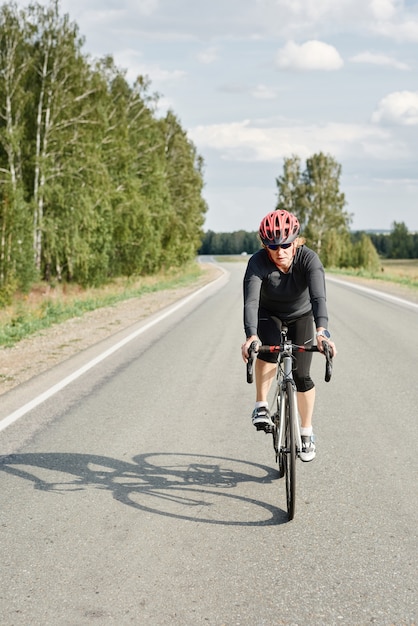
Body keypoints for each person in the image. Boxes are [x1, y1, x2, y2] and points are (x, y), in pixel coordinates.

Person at [241, 209, 337, 462]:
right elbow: (251, 302)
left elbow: (318, 298)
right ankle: (261, 405)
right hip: (268, 313)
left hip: (302, 316)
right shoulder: (258, 262)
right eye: (273, 246)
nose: (280, 251)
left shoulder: (309, 260)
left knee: (302, 375)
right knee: (269, 349)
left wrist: (322, 332)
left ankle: (306, 433)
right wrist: (251, 336)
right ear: (265, 245)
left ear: (296, 241)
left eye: (286, 245)